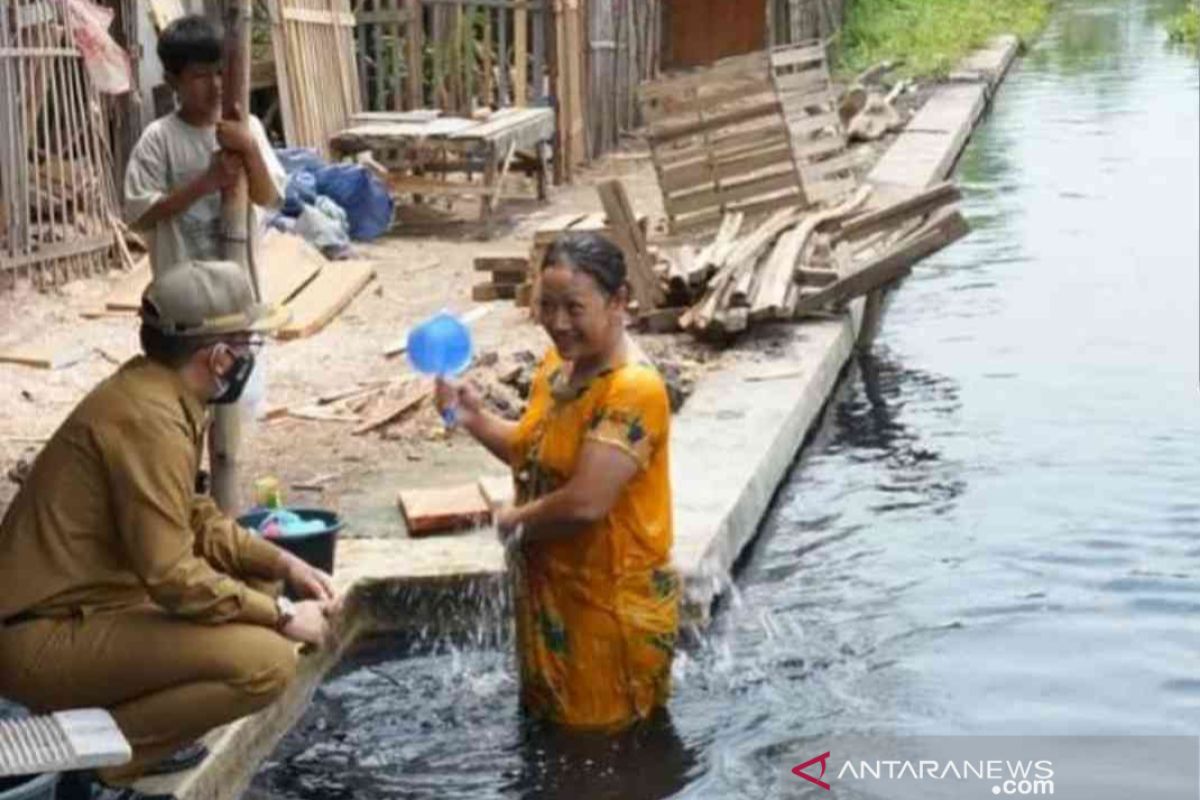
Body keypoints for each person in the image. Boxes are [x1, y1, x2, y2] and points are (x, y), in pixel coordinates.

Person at [0, 261, 338, 793]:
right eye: (246, 343)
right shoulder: (150, 419)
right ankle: (114, 759)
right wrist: (283, 615)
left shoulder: (160, 393)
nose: (249, 357)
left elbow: (196, 517)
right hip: (45, 638)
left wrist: (283, 564)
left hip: (87, 611)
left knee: (258, 584)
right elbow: (171, 574)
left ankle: (129, 723)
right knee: (268, 664)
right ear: (218, 355)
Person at [436, 232, 680, 731]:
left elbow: (587, 501)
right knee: (551, 734)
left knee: (603, 751)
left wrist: (513, 520)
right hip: (552, 593)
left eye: (574, 307)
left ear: (618, 303)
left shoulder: (632, 389)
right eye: (547, 306)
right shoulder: (558, 366)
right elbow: (539, 459)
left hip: (608, 609)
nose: (558, 323)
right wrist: (476, 420)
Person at [124, 14, 286, 276]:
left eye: (220, 73)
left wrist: (250, 149)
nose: (216, 85)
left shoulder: (249, 128)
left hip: (241, 288)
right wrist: (206, 183)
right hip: (183, 298)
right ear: (172, 80)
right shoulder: (158, 139)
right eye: (200, 76)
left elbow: (269, 198)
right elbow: (139, 218)